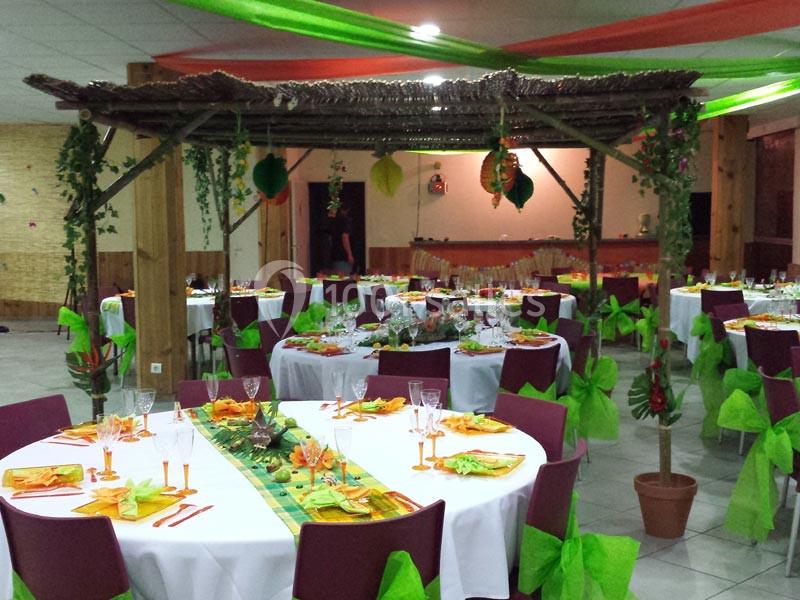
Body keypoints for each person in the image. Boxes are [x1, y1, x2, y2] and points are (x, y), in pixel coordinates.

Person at [330, 205, 355, 274]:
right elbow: (345, 237)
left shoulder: (334, 220)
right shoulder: (345, 220)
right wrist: (349, 254)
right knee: (345, 278)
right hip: (343, 256)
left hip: (335, 253)